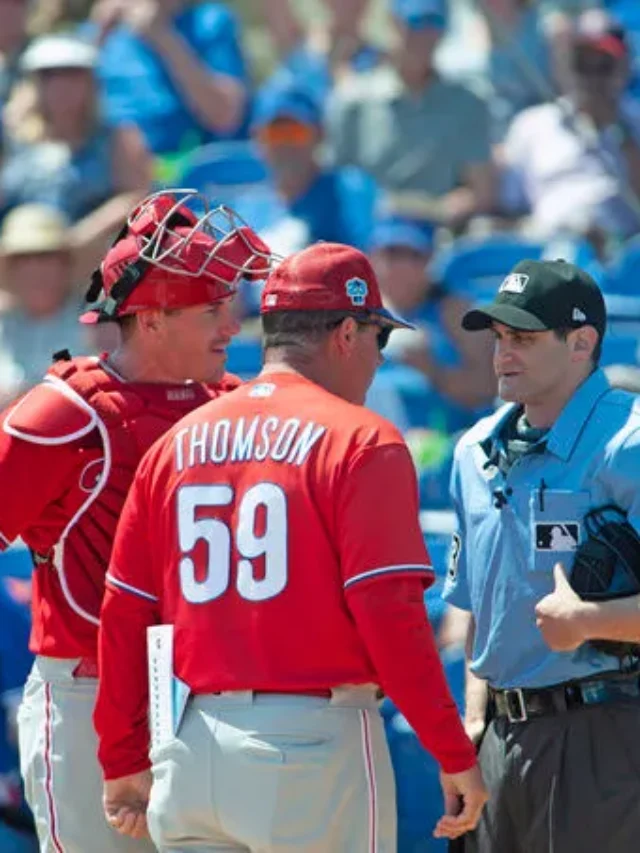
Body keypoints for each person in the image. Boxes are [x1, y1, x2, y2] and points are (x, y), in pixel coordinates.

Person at [94, 241, 488, 851]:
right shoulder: (361, 440)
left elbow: (125, 614)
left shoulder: (177, 442)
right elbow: (390, 619)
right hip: (311, 750)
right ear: (347, 333)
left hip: (190, 748)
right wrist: (450, 748)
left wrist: (122, 754)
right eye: (378, 341)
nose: (380, 362)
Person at [0, 188, 272, 853]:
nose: (231, 326)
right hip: (86, 694)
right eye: (212, 309)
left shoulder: (242, 406)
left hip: (214, 691)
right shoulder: (64, 412)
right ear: (150, 320)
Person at [443, 258, 640, 852]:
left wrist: (591, 622)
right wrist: (473, 719)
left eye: (524, 338)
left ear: (582, 343)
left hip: (606, 731)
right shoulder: (475, 451)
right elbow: (480, 606)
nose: (502, 352)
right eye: (499, 337)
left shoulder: (628, 443)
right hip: (501, 737)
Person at [327, 0, 495, 231]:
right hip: (370, 234)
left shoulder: (468, 102)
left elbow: (482, 191)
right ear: (393, 23)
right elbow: (337, 185)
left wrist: (453, 206)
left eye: (434, 23)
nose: (424, 35)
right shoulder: (353, 102)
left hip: (438, 236)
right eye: (415, 22)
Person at [1, 32, 151, 231]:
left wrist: (80, 238)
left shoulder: (118, 138)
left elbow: (136, 196)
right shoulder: (10, 138)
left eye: (73, 75)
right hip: (20, 252)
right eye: (50, 76)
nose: (62, 85)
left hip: (95, 254)